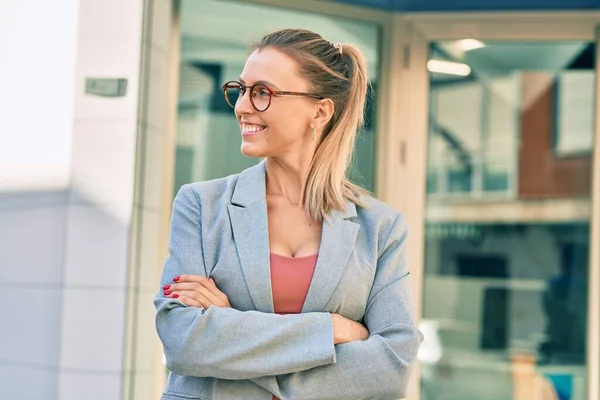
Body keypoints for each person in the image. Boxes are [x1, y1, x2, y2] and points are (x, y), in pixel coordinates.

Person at [155, 28, 423, 400]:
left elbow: (391, 367)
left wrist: (229, 334)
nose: (242, 106)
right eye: (241, 89)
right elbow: (183, 341)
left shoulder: (380, 228)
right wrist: (329, 330)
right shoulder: (200, 205)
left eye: (262, 92)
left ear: (320, 110)